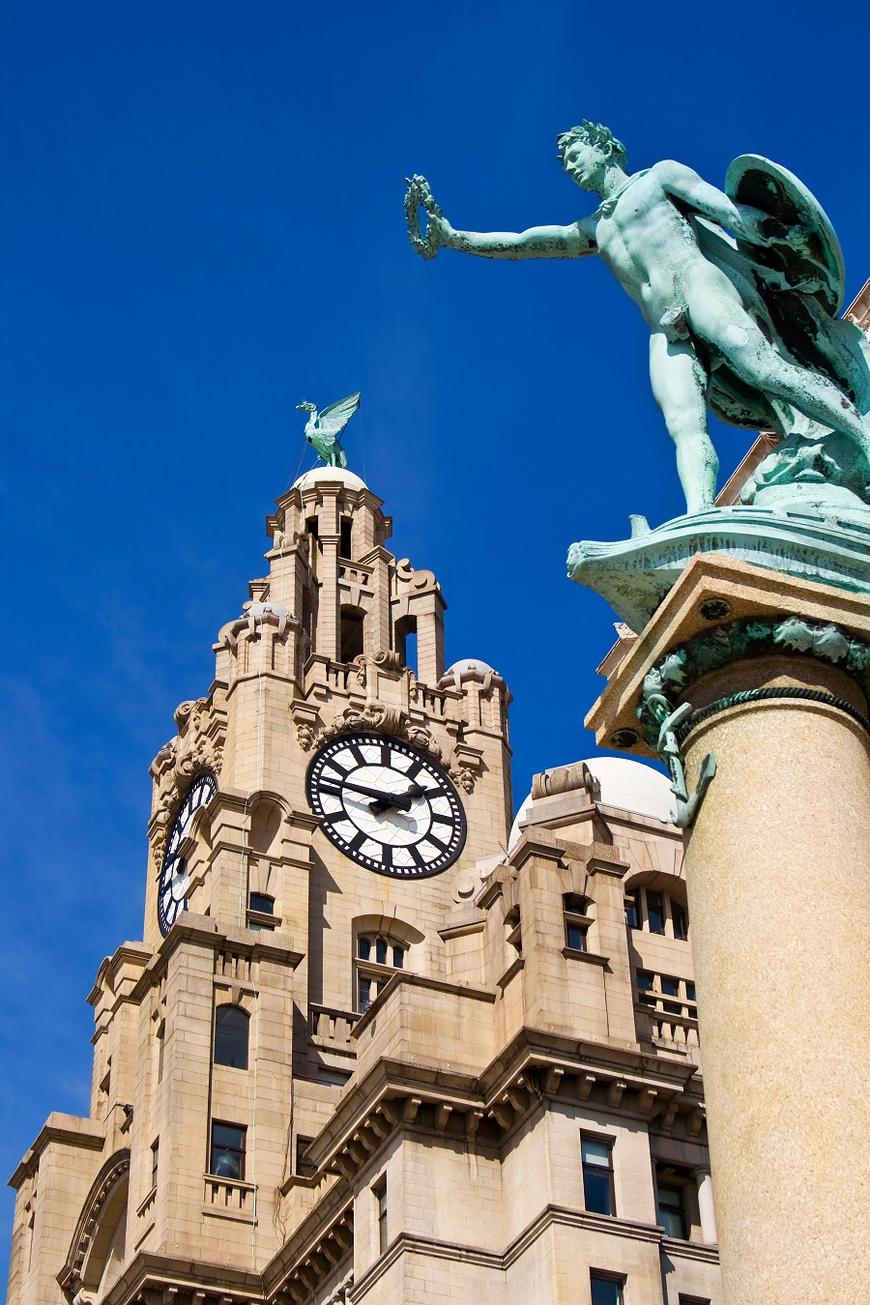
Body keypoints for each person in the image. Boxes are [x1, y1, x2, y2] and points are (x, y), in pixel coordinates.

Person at [407, 122, 870, 513]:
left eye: (575, 153)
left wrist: (779, 239)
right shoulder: (595, 227)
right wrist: (456, 238)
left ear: (604, 147)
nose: (570, 166)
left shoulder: (659, 178)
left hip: (699, 285)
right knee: (682, 422)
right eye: (564, 161)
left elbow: (728, 213)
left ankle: (861, 435)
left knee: (766, 370)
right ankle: (700, 520)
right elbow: (526, 242)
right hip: (664, 327)